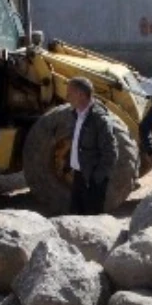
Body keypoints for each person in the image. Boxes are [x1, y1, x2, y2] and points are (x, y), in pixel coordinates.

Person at [65, 77, 119, 215]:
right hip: (79, 176)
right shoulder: (76, 115)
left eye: (70, 93)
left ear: (81, 95)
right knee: (75, 216)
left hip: (92, 180)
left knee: (91, 219)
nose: (67, 97)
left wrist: (97, 179)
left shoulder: (99, 119)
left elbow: (111, 152)